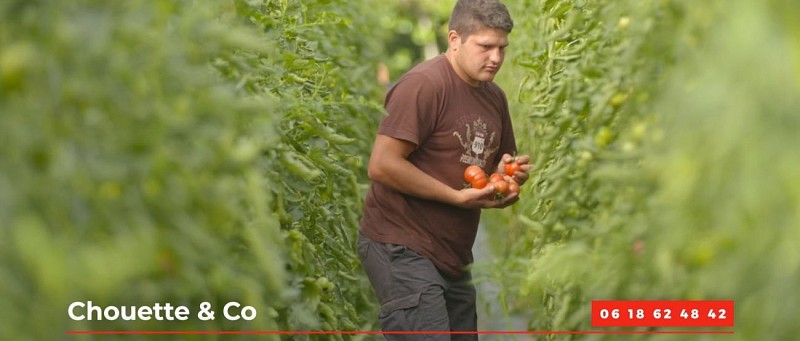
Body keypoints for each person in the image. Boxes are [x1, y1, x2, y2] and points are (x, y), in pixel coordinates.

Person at [357, 0, 531, 339]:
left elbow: (496, 164)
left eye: (501, 48)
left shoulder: (494, 97)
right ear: (455, 39)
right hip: (401, 244)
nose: (496, 57)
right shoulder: (424, 85)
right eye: (485, 47)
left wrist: (507, 179)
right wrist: (455, 196)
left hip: (451, 254)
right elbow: (382, 165)